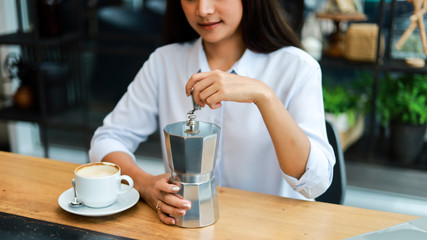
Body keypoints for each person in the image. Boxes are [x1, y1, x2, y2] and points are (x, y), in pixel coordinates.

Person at [89, 0, 335, 225]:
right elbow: (107, 140)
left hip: (275, 229)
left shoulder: (298, 68)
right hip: (185, 227)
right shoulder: (164, 62)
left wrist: (264, 96)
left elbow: (315, 184)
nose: (203, 10)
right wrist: (144, 185)